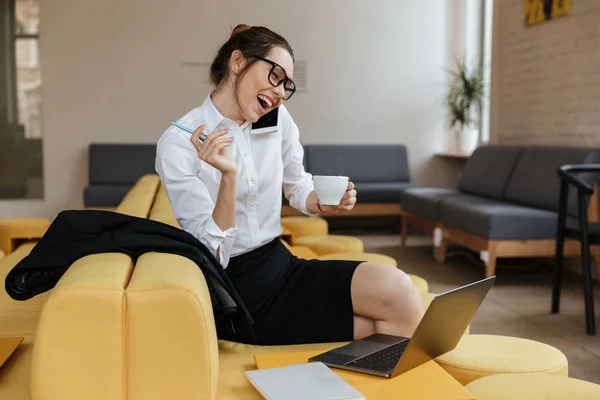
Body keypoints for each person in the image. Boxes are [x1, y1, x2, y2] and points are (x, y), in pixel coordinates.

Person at [155, 24, 423, 345]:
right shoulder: (180, 143)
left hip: (282, 265)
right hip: (240, 293)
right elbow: (213, 254)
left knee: (400, 292)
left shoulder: (276, 118)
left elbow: (297, 187)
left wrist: (319, 202)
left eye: (286, 84)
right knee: (383, 330)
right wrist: (228, 178)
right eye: (276, 76)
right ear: (238, 62)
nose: (281, 91)